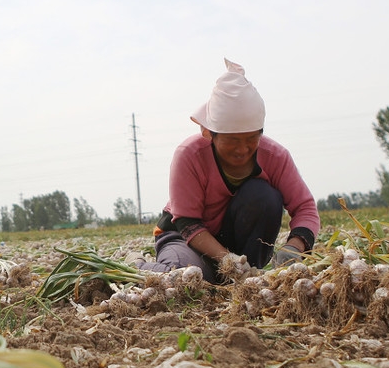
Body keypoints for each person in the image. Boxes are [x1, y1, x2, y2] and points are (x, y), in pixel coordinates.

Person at [136, 59, 320, 283]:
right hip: (186, 239)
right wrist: (226, 260)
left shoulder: (275, 157)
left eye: (252, 139)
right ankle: (139, 266)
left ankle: (242, 276)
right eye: (232, 141)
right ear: (208, 132)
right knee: (189, 277)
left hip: (239, 247)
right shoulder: (190, 155)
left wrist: (294, 247)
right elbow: (187, 223)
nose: (242, 149)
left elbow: (305, 208)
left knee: (264, 195)